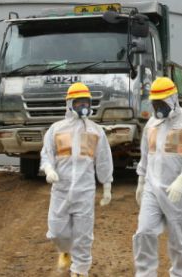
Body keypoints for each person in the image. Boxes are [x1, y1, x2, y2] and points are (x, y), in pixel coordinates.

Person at [41, 82, 113, 277]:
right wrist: (48, 169)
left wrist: (107, 186)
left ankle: (80, 270)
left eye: (86, 102)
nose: (84, 106)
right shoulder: (56, 129)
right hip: (61, 190)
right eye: (79, 102)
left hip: (85, 191)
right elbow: (47, 153)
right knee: (57, 232)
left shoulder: (95, 131)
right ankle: (65, 250)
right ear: (70, 104)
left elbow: (104, 159)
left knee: (83, 235)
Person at [133, 77, 182, 277]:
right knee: (144, 232)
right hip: (152, 188)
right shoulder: (151, 124)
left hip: (177, 191)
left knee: (179, 239)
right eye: (155, 103)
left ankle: (180, 274)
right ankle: (145, 273)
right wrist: (141, 181)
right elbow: (145, 154)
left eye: (161, 102)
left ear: (173, 99)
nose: (158, 107)